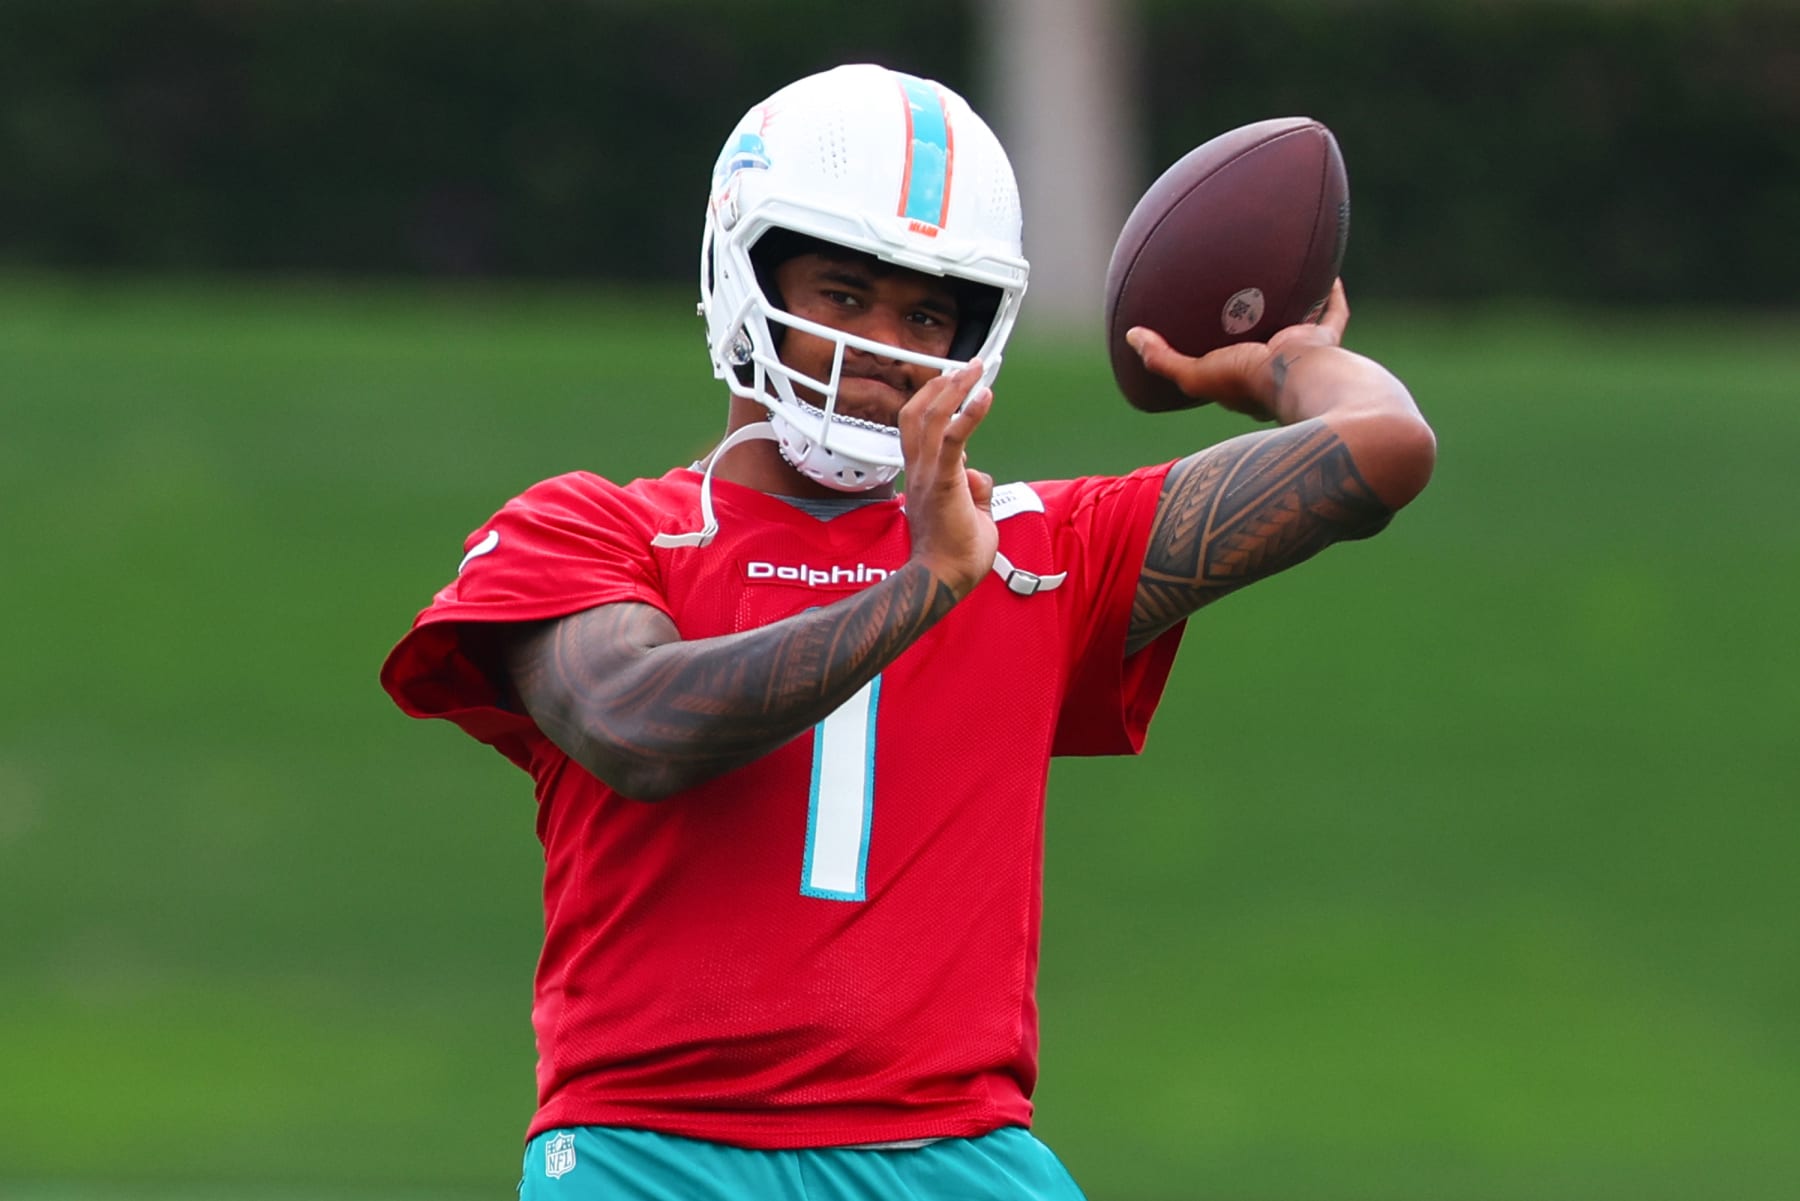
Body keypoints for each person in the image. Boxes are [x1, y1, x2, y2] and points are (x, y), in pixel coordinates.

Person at [380, 63, 1434, 1201]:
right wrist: (923, 587)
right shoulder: (596, 524)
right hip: (656, 1152)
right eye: (842, 294)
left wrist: (1285, 362)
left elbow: (1380, 448)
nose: (884, 343)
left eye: (927, 312)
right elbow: (636, 724)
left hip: (957, 1153)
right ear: (744, 270)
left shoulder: (1034, 544)